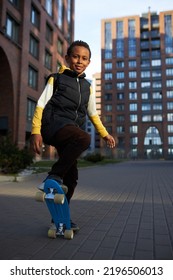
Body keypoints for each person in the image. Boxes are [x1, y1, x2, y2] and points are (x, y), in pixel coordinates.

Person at [30, 40, 118, 230]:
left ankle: (61, 218)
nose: (79, 61)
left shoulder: (87, 87)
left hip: (69, 132)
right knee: (84, 138)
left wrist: (105, 135)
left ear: (88, 62)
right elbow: (40, 105)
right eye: (76, 56)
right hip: (53, 125)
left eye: (84, 58)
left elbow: (93, 114)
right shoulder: (57, 79)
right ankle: (53, 175)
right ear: (68, 58)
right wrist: (36, 131)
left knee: (72, 178)